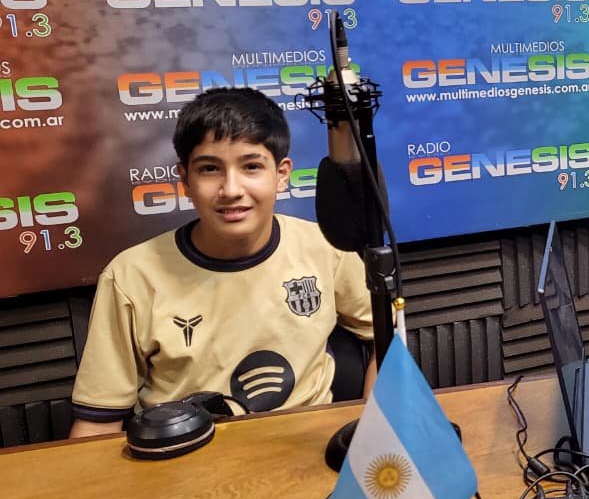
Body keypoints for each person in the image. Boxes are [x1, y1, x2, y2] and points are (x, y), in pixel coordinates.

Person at [69, 87, 374, 437]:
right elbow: (98, 421)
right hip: (185, 456)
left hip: (308, 448)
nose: (231, 189)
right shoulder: (131, 276)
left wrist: (373, 429)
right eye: (210, 169)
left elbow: (387, 338)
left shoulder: (325, 246)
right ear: (185, 180)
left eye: (251, 167)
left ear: (281, 174)